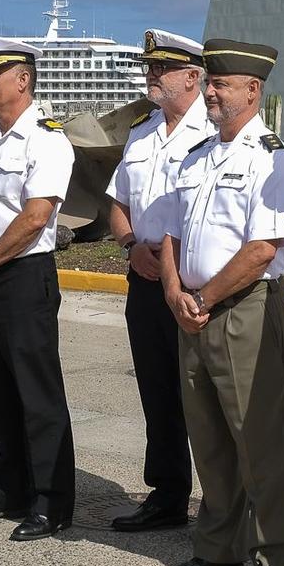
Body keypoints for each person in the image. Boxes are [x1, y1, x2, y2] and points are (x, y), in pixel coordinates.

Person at [157, 39, 284, 566]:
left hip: (245, 310)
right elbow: (170, 230)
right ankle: (218, 546)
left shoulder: (271, 157)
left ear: (253, 91)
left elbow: (263, 247)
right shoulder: (196, 156)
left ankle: (271, 558)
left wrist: (204, 297)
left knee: (257, 438)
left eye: (221, 83)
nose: (210, 91)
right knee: (208, 435)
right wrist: (174, 291)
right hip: (191, 309)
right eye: (208, 81)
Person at [0, 36, 78, 541]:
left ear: (22, 80)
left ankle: (51, 501)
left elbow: (37, 216)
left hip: (22, 278)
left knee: (37, 393)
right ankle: (8, 488)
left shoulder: (46, 140)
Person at [105, 29, 213, 533]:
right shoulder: (141, 132)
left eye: (162, 68)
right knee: (157, 390)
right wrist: (131, 247)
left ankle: (221, 503)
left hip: (192, 284)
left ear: (192, 76)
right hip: (145, 280)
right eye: (150, 66)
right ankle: (168, 493)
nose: (151, 74)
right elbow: (119, 204)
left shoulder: (213, 133)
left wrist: (166, 261)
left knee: (206, 397)